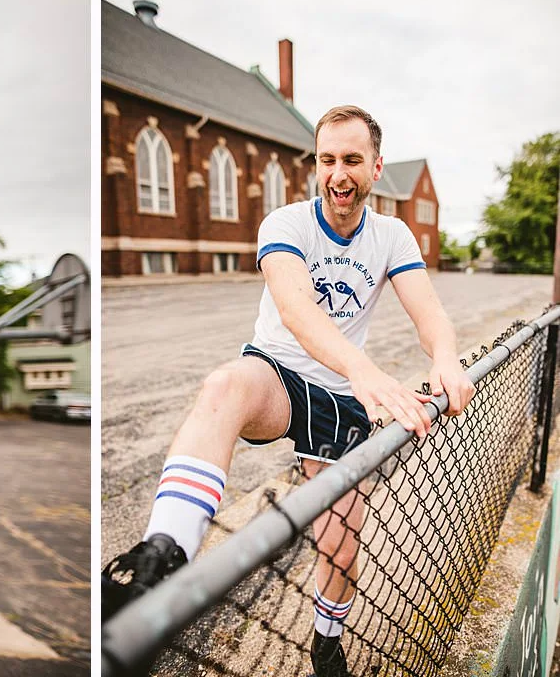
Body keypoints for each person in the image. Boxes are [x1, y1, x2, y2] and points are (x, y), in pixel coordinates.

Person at [100, 105, 475, 676]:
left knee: (341, 544)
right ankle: (159, 560)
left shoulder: (392, 234)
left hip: (341, 398)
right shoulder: (285, 223)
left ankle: (326, 642)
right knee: (224, 385)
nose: (338, 173)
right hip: (278, 375)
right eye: (327, 160)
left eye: (352, 160)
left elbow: (431, 315)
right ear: (316, 166)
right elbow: (297, 310)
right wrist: (365, 370)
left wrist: (446, 359)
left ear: (375, 169)